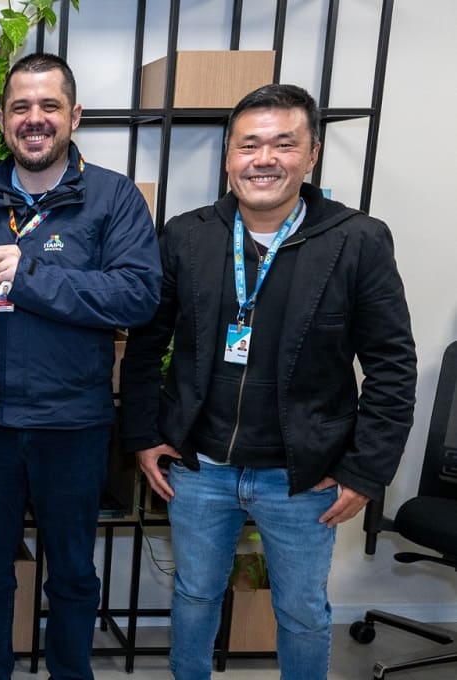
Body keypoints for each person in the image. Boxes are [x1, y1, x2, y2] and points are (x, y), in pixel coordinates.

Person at [119, 83, 417, 680]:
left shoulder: (357, 239)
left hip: (304, 476)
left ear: (312, 155)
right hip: (200, 466)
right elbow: (146, 344)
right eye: (248, 145)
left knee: (303, 612)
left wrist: (364, 471)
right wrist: (145, 436)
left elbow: (392, 365)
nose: (264, 159)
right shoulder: (187, 235)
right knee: (196, 597)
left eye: (284, 143)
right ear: (229, 156)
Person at [0, 53, 162, 680]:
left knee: (70, 571)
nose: (34, 119)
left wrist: (31, 276)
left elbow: (137, 297)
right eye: (20, 107)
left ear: (75, 115)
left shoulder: (113, 198)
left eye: (49, 106)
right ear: (4, 118)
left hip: (74, 424)